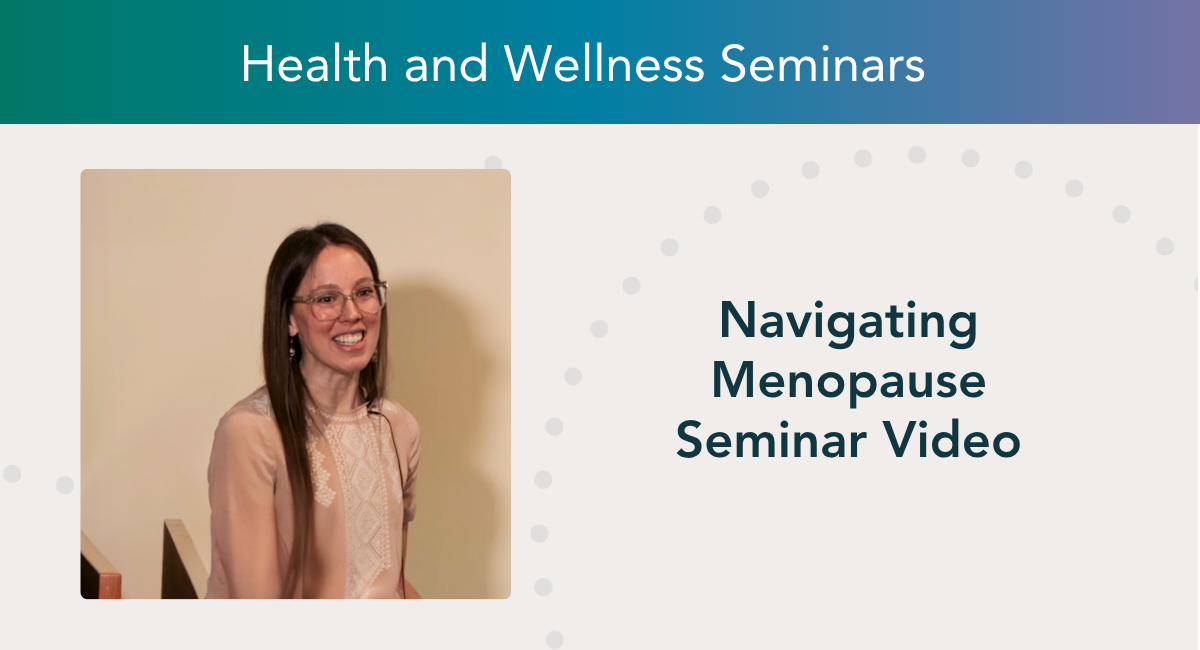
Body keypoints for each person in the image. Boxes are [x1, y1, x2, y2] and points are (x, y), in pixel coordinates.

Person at [206, 223, 421, 599]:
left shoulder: (400, 427)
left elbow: (394, 586)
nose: (352, 313)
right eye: (326, 299)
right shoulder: (250, 432)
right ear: (289, 319)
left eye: (364, 292)